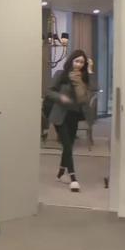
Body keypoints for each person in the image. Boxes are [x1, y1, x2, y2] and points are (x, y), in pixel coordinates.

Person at [46, 49, 94, 192]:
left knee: (69, 146)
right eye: (77, 61)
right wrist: (61, 97)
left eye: (82, 62)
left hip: (74, 115)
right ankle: (73, 178)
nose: (79, 64)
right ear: (71, 61)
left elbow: (93, 89)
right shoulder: (61, 74)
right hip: (60, 115)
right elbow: (49, 91)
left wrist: (90, 71)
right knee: (67, 145)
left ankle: (60, 173)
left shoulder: (84, 78)